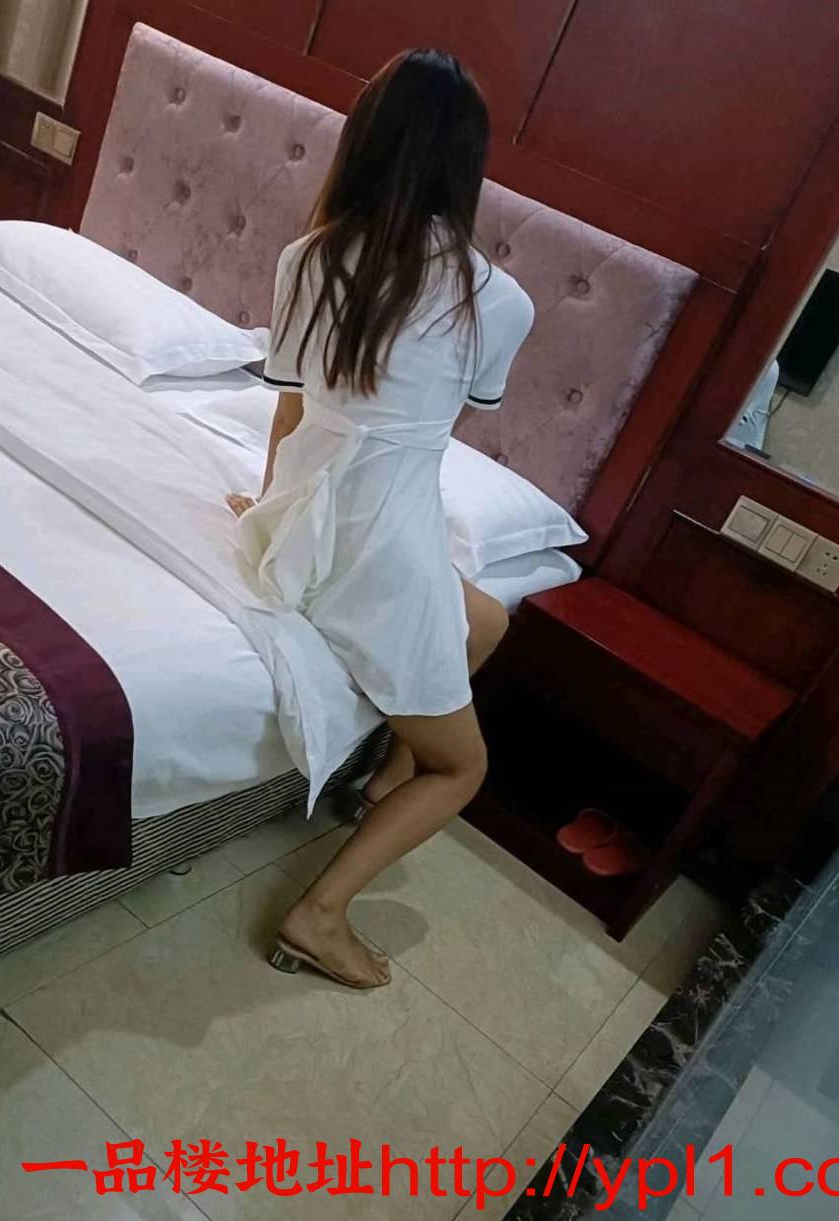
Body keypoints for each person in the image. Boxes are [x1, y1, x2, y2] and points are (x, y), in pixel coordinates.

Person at [226, 48, 535, 988]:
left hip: (306, 533)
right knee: (464, 768)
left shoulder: (309, 258)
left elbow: (291, 415)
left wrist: (269, 512)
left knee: (488, 618)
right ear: (466, 165)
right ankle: (319, 914)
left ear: (365, 141)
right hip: (383, 552)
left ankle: (386, 779)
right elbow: (423, 438)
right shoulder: (498, 302)